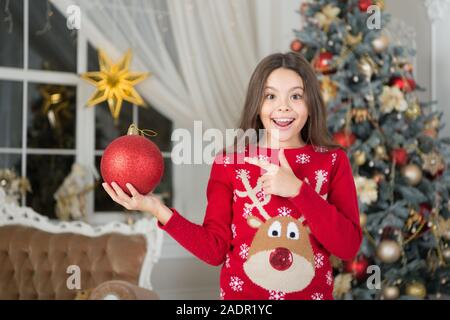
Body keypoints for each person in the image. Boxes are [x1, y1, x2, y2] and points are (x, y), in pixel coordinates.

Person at [102, 52, 362, 300]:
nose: (283, 107)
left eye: (295, 96)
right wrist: (157, 209)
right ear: (257, 105)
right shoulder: (229, 164)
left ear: (310, 103)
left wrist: (298, 190)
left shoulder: (331, 161)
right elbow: (215, 250)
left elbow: (347, 247)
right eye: (270, 96)